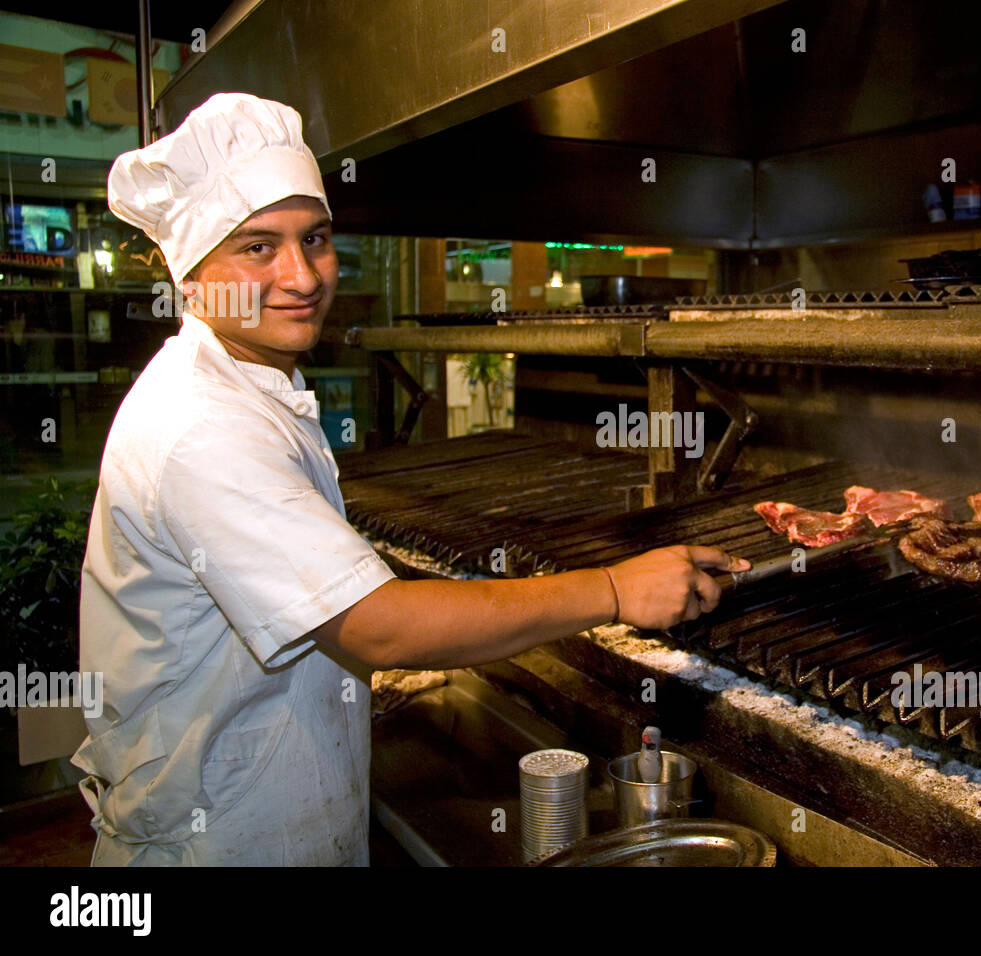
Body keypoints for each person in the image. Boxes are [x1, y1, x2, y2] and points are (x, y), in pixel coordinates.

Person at [75, 92, 747, 866]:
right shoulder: (202, 428)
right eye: (258, 247)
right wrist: (617, 590)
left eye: (316, 239)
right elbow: (380, 628)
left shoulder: (243, 384)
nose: (302, 275)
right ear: (192, 275)